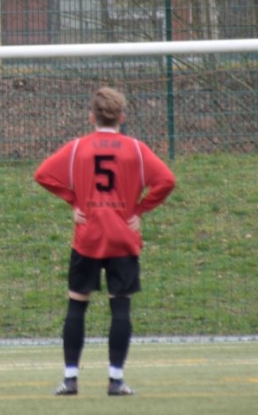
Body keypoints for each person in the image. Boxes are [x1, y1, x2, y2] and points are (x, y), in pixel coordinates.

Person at [34, 87, 176, 397]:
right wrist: (140, 209)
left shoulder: (77, 148)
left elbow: (43, 174)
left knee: (77, 303)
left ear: (92, 117)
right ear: (121, 117)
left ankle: (70, 379)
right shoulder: (136, 149)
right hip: (122, 236)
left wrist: (74, 201)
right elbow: (167, 180)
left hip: (88, 236)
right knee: (120, 306)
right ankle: (116, 380)